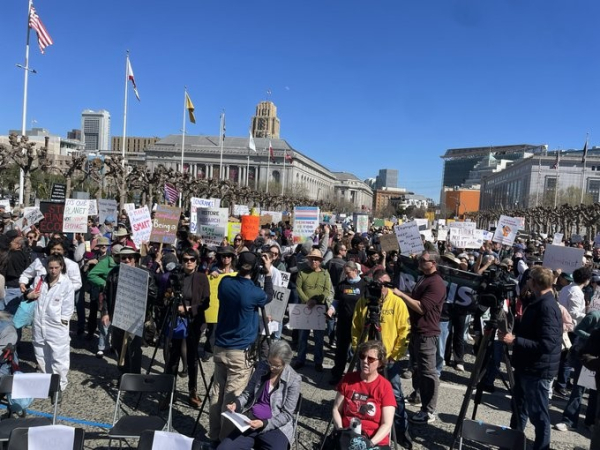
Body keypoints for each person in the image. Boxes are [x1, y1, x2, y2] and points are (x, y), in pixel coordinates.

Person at [209, 251, 273, 444]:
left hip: (220, 347)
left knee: (217, 393)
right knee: (231, 398)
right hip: (240, 352)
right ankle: (224, 441)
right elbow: (268, 296)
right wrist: (268, 273)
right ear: (254, 269)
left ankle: (213, 436)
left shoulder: (225, 283)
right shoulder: (254, 292)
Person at [499, 265, 562, 450]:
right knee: (519, 409)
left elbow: (547, 344)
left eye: (529, 279)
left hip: (537, 371)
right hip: (527, 367)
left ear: (534, 283)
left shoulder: (547, 306)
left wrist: (515, 340)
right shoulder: (538, 301)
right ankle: (514, 443)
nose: (526, 281)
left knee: (539, 416)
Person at [353, 269, 413, 448]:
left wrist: (395, 355)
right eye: (379, 285)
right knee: (361, 392)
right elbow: (356, 326)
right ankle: (361, 427)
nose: (382, 289)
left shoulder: (398, 303)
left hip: (388, 359)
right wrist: (358, 349)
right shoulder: (364, 300)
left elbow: (405, 331)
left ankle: (401, 431)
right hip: (365, 358)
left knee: (395, 395)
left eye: (386, 285)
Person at [218, 341, 301, 450]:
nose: (271, 368)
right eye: (270, 362)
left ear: (286, 363)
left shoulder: (294, 379)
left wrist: (264, 423)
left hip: (276, 426)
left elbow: (286, 414)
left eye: (276, 366)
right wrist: (236, 404)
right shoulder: (262, 367)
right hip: (250, 420)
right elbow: (247, 394)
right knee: (224, 448)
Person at [395, 251, 446, 425]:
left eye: (423, 260)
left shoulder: (436, 283)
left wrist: (401, 295)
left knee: (428, 372)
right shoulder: (423, 277)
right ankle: (417, 396)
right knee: (417, 367)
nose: (419, 262)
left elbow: (422, 307)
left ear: (433, 263)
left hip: (427, 333)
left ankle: (428, 410)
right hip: (416, 330)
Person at [163, 248, 210, 408]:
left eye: (192, 259)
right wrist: (171, 299)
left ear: (197, 262)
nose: (188, 262)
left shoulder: (202, 278)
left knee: (192, 358)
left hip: (194, 321)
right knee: (173, 358)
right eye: (185, 259)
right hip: (176, 321)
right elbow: (166, 295)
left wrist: (190, 309)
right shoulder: (176, 276)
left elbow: (206, 302)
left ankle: (193, 391)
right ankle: (169, 391)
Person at [102, 246, 157, 374]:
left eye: (129, 257)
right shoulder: (113, 273)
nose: (126, 260)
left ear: (135, 259)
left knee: (133, 348)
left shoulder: (145, 274)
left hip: (136, 317)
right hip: (118, 315)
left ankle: (134, 377)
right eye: (123, 258)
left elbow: (154, 295)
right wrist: (105, 313)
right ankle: (124, 373)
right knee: (118, 346)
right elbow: (106, 294)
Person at [332, 340, 396, 449]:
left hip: (373, 440)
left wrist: (370, 443)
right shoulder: (348, 379)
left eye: (370, 359)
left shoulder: (385, 386)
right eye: (362, 356)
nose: (365, 361)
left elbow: (387, 424)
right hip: (347, 434)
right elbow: (336, 409)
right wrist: (340, 430)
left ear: (380, 362)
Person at [25, 255, 74, 396]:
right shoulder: (40, 280)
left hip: (56, 327)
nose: (53, 271)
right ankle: (47, 381)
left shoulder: (66, 284)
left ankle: (59, 386)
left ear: (61, 267)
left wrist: (62, 322)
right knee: (41, 354)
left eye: (56, 268)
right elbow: (32, 294)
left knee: (59, 357)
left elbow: (68, 308)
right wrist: (30, 294)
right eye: (51, 268)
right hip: (39, 324)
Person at [293, 249, 333, 372]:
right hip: (305, 308)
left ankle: (318, 361)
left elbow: (327, 290)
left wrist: (315, 301)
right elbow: (298, 288)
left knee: (319, 338)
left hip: (319, 308)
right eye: (311, 258)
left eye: (316, 259)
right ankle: (300, 359)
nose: (313, 261)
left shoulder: (325, 274)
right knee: (302, 337)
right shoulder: (302, 272)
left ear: (320, 261)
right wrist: (307, 300)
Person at [329, 261, 366, 385]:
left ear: (355, 271)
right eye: (345, 272)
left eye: (348, 272)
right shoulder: (342, 285)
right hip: (343, 323)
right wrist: (331, 309)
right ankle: (337, 374)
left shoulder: (363, 285)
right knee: (341, 350)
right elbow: (336, 301)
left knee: (360, 351)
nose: (346, 275)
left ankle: (359, 376)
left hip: (358, 324)